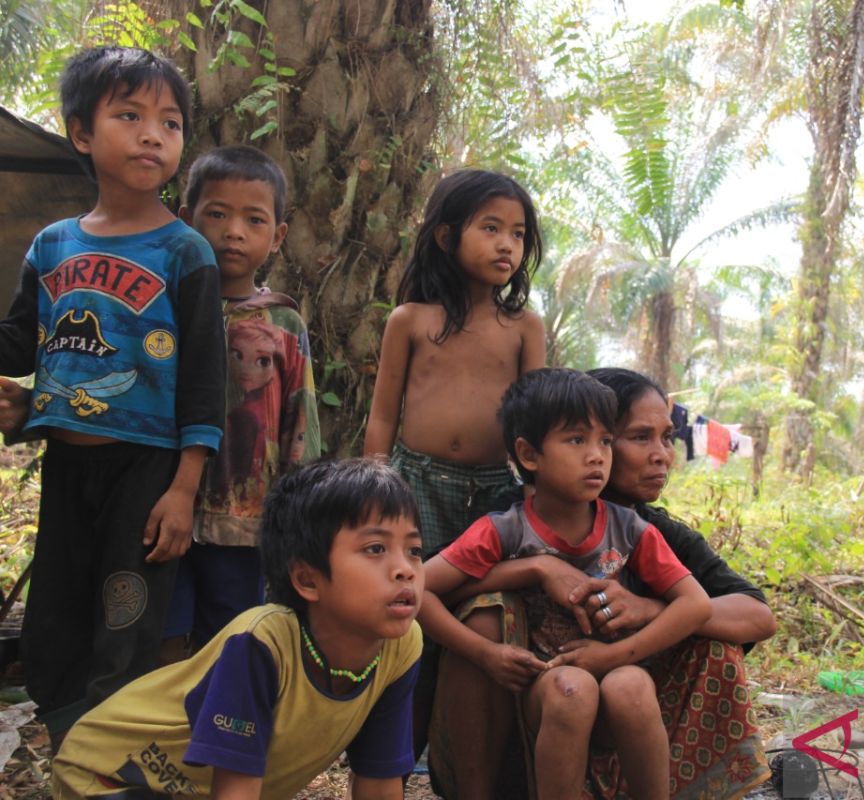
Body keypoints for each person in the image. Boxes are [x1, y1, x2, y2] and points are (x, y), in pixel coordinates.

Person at [0, 46, 226, 743]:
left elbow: (203, 382)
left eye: (171, 121)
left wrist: (184, 486)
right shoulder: (52, 245)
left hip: (147, 470)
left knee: (125, 622)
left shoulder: (186, 252)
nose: (154, 134)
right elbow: (19, 341)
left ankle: (111, 766)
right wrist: (17, 400)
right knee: (56, 618)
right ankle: (71, 749)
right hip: (67, 466)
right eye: (130, 115)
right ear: (82, 133)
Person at [429, 367, 775, 799]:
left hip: (622, 695)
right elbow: (420, 587)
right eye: (639, 437)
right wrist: (536, 568)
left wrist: (647, 611)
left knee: (676, 663)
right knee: (487, 614)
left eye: (665, 438)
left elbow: (748, 613)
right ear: (532, 453)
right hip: (529, 704)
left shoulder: (641, 530)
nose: (662, 455)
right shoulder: (511, 520)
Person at [51, 458, 425, 799]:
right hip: (110, 777)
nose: (405, 569)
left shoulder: (400, 646)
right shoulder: (261, 645)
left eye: (414, 550)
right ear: (307, 579)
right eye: (376, 549)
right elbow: (236, 793)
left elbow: (379, 781)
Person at [362, 168, 546, 752]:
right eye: (490, 228)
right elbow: (384, 416)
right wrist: (375, 486)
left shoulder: (524, 327)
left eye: (517, 234)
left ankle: (459, 754)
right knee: (402, 613)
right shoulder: (411, 321)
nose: (506, 245)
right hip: (414, 485)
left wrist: (539, 497)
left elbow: (536, 421)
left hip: (496, 495)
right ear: (446, 236)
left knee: (475, 612)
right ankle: (392, 750)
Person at [160, 144, 321, 652]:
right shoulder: (164, 309)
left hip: (245, 521)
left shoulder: (284, 325)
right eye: (217, 214)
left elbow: (302, 423)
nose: (233, 231)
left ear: (277, 236)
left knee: (228, 638)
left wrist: (296, 516)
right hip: (160, 506)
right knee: (162, 634)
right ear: (186, 220)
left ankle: (217, 730)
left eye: (253, 220)